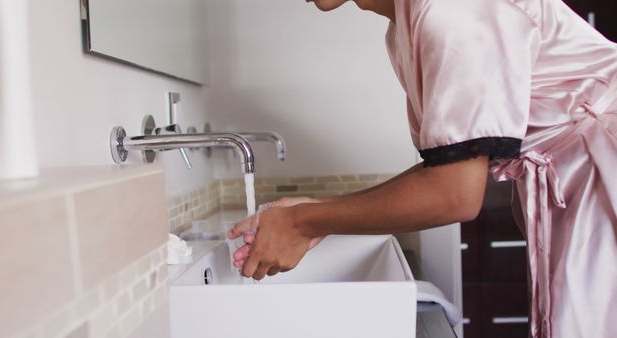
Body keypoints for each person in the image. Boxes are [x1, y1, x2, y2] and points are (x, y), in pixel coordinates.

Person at [227, 0, 617, 337]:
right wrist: (313, 215)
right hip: (578, 175)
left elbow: (454, 196)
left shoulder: (450, 11)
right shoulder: (404, 27)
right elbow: (444, 169)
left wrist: (304, 222)